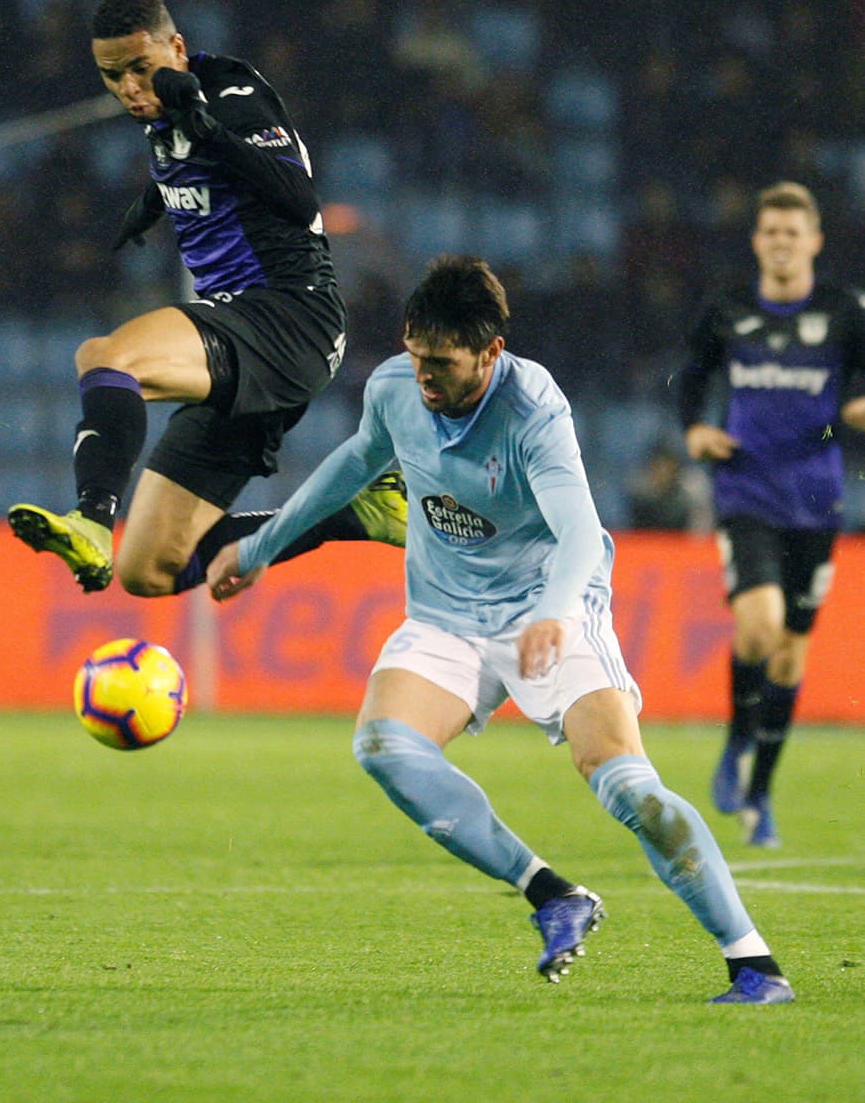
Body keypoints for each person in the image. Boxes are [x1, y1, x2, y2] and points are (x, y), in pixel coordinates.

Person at [207, 254, 794, 1004]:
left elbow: (581, 530)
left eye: (442, 363)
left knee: (627, 788)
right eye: (416, 355)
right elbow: (355, 462)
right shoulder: (396, 386)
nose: (424, 375)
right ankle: (553, 894)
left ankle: (753, 965)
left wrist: (552, 616)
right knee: (384, 746)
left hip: (549, 608)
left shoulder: (533, 408)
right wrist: (261, 549)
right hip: (448, 615)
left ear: (490, 352)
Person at [8, 0, 406, 597]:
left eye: (142, 68)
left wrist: (205, 127)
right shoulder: (167, 111)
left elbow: (297, 200)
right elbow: (202, 167)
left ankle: (90, 519)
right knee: (148, 570)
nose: (130, 88)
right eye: (113, 76)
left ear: (178, 48)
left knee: (106, 356)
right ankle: (354, 512)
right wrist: (154, 200)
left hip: (287, 313)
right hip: (253, 347)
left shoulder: (228, 93)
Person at [678, 181, 865, 846]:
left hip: (816, 493)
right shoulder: (727, 309)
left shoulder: (844, 311)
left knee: (790, 653)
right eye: (772, 232)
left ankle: (761, 791)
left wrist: (856, 407)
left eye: (795, 232)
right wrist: (696, 430)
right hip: (746, 486)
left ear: (814, 240)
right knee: (760, 626)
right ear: (758, 240)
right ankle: (736, 741)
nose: (783, 242)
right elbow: (693, 375)